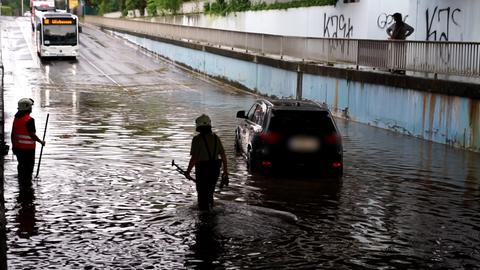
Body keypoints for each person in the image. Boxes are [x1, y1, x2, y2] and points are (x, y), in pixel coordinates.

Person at [185, 114, 228, 211]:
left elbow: (194, 158)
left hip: (202, 171)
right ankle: (211, 216)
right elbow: (224, 156)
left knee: (202, 196)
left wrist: (188, 172)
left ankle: (204, 219)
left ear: (198, 126)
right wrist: (225, 172)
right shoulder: (216, 138)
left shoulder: (197, 139)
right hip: (215, 170)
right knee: (210, 194)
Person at [11, 98, 45, 183]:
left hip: (18, 148)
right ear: (27, 108)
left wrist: (13, 146)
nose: (31, 108)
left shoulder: (16, 118)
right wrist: (41, 141)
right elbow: (32, 135)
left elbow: (13, 133)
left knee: (21, 166)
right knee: (28, 169)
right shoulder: (29, 120)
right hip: (28, 150)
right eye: (30, 107)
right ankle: (27, 186)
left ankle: (21, 184)